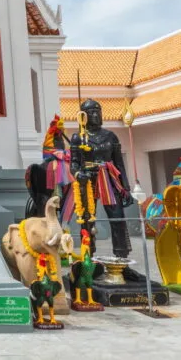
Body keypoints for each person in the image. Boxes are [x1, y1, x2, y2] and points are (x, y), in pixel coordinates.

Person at [66, 98, 134, 259]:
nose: (96, 115)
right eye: (91, 112)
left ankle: (121, 256)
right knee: (87, 221)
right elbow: (74, 163)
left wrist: (126, 188)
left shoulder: (111, 137)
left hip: (109, 179)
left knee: (117, 218)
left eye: (98, 112)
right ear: (84, 116)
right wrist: (78, 175)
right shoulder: (79, 138)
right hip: (88, 180)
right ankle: (88, 256)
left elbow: (119, 164)